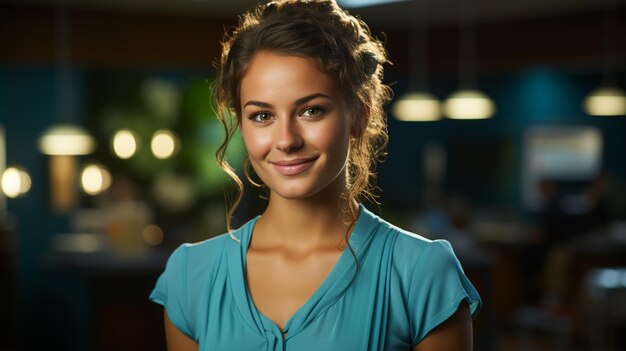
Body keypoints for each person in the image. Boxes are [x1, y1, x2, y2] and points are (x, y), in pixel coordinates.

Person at [149, 1, 481, 350]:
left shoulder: (422, 274)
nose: (287, 140)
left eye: (311, 111)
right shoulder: (191, 276)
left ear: (359, 117)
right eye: (262, 116)